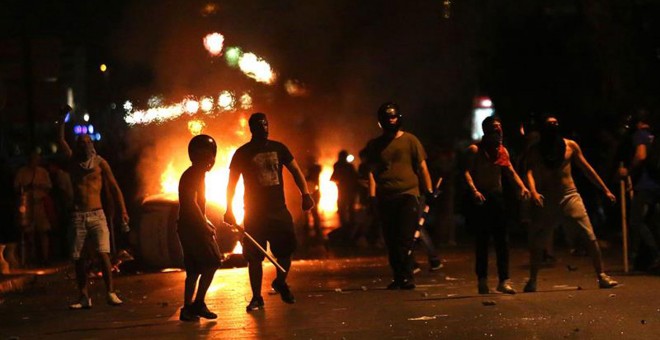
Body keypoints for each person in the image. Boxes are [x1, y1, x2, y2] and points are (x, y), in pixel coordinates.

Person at [224, 112, 315, 312]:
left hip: (278, 211)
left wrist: (305, 194)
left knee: (285, 251)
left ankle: (280, 281)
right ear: (252, 128)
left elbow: (296, 171)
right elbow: (232, 183)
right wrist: (229, 208)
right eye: (259, 125)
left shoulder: (279, 148)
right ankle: (256, 297)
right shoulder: (242, 153)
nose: (264, 127)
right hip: (255, 214)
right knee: (254, 257)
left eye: (266, 123)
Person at [524, 114, 618, 292]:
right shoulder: (536, 149)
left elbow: (587, 169)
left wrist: (604, 189)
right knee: (539, 241)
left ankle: (602, 276)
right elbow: (529, 170)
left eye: (555, 123)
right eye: (549, 124)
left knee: (589, 235)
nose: (553, 126)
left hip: (569, 195)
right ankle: (532, 280)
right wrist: (534, 191)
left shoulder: (569, 146)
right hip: (547, 197)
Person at [58, 108, 128, 309]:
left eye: (88, 142)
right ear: (78, 146)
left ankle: (110, 292)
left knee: (103, 254)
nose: (85, 145)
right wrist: (61, 120)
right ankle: (83, 296)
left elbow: (115, 188)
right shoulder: (73, 162)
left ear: (92, 145)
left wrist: (123, 210)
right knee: (78, 257)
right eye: (81, 143)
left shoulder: (100, 163)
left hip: (97, 214)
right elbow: (61, 140)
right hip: (78, 215)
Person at [363, 102, 434, 290]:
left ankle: (407, 276)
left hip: (408, 195)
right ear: (381, 122)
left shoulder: (411, 141)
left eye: (394, 117)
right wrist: (371, 198)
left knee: (405, 238)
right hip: (385, 196)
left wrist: (429, 190)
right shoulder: (375, 145)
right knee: (391, 239)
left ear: (399, 118)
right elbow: (371, 172)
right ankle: (398, 275)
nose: (391, 121)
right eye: (388, 118)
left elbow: (422, 167)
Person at [464, 116, 530, 294]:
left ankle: (504, 280)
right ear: (486, 130)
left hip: (497, 197)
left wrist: (522, 187)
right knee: (482, 240)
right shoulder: (475, 150)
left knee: (502, 240)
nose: (498, 131)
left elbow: (510, 171)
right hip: (481, 197)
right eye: (495, 128)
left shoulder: (502, 151)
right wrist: (474, 191)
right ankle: (482, 280)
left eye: (500, 127)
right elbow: (467, 173)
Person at [177, 134, 223, 322]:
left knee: (194, 269)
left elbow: (196, 204)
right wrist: (203, 225)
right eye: (206, 155)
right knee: (213, 261)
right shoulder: (193, 174)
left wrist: (206, 219)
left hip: (188, 226)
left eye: (212, 155)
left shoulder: (197, 173)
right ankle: (198, 303)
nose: (210, 160)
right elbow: (190, 202)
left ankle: (188, 308)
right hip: (192, 229)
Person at [618, 111, 660, 271]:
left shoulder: (640, 135)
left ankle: (655, 254)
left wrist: (628, 171)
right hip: (657, 183)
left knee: (635, 221)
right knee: (652, 221)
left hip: (646, 184)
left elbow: (641, 156)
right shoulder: (654, 136)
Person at [13, 151, 53, 266]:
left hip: (40, 204)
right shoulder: (22, 172)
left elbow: (49, 187)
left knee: (43, 231)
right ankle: (32, 257)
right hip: (27, 205)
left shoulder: (42, 172)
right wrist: (26, 187)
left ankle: (45, 257)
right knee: (29, 233)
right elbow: (16, 187)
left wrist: (40, 187)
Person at [330, 150, 359, 233]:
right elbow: (355, 177)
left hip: (345, 190)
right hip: (348, 190)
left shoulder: (338, 165)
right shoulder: (348, 166)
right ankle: (349, 225)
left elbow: (334, 178)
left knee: (344, 207)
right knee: (348, 208)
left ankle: (347, 225)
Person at [303, 156, 323, 242]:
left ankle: (313, 228)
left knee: (312, 211)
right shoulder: (314, 169)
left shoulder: (314, 170)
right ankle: (313, 228)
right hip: (312, 192)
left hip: (313, 192)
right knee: (311, 211)